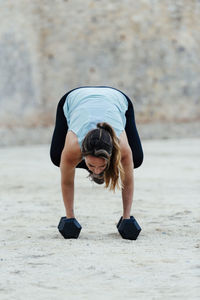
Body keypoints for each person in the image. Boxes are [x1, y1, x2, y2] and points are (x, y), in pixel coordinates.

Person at [50, 86, 143, 222]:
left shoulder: (122, 147)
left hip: (116, 98)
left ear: (111, 156)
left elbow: (127, 182)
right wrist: (70, 218)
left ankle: (100, 163)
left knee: (137, 159)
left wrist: (126, 218)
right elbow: (67, 183)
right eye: (92, 165)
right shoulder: (73, 147)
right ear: (83, 154)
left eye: (101, 166)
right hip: (74, 98)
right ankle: (95, 163)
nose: (97, 170)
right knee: (58, 157)